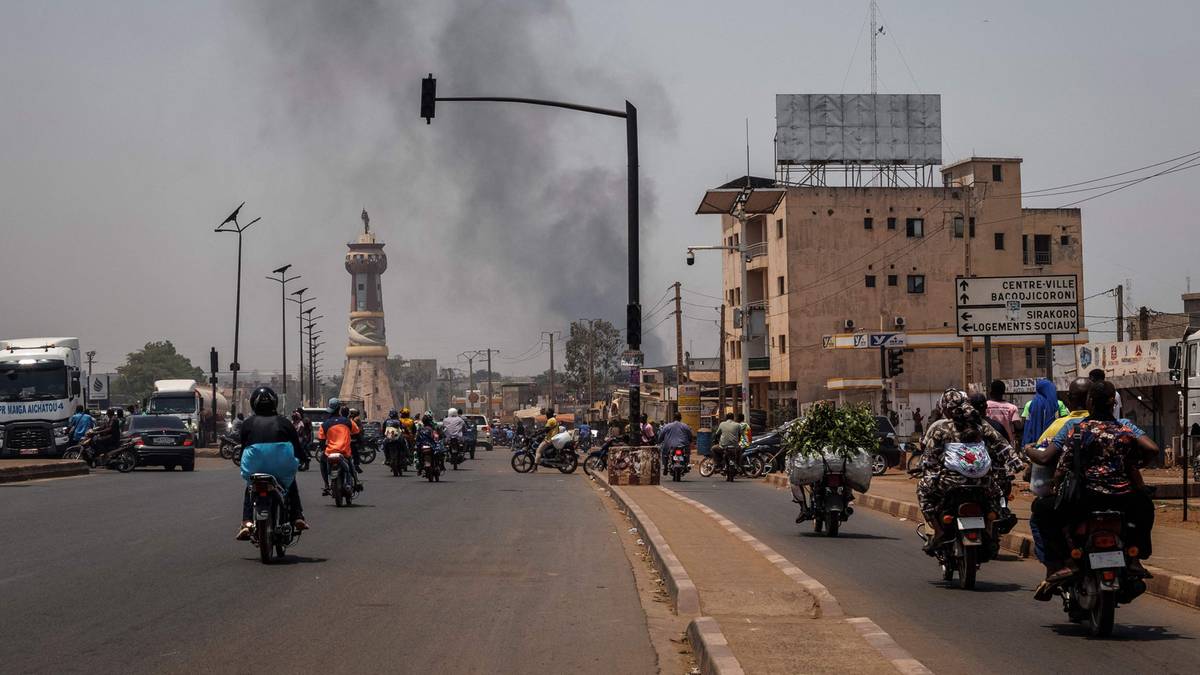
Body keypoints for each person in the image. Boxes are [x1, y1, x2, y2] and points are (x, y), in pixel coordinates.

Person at [1035, 380, 1158, 584]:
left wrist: (1055, 485)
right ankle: (1134, 558)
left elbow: (1062, 467)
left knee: (1042, 509)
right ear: (1113, 404)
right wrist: (1139, 464)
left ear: (1090, 401)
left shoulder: (1077, 430)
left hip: (1086, 498)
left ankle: (1064, 562)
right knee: (1146, 506)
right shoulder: (1126, 432)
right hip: (1123, 498)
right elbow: (1144, 454)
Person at [917, 389, 1025, 553]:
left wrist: (929, 473)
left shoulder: (941, 428)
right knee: (996, 496)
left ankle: (939, 532)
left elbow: (929, 458)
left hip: (950, 483)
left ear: (946, 408)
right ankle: (989, 529)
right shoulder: (982, 425)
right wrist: (1016, 463)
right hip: (982, 482)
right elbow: (1002, 444)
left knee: (923, 490)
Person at [235, 386, 307, 540]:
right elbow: (297, 447)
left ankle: (247, 521)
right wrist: (303, 459)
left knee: (250, 488)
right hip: (282, 467)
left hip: (254, 466)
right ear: (275, 402)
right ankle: (297, 517)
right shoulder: (284, 422)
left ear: (254, 403)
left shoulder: (247, 423)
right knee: (291, 484)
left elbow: (243, 448)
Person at [317, 401, 361, 494]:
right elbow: (357, 433)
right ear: (339, 409)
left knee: (322, 462)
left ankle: (326, 485)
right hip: (344, 451)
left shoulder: (324, 425)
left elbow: (321, 441)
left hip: (330, 453)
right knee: (351, 463)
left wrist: (324, 448)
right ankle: (356, 481)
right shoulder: (348, 421)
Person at [1021, 379, 1062, 448]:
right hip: (1053, 444)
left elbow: (1025, 424)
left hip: (1031, 444)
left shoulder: (1029, 404)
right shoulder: (1057, 404)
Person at [715, 413, 743, 480]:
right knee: (740, 452)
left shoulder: (722, 424)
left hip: (724, 446)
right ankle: (739, 465)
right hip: (735, 446)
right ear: (733, 418)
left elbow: (717, 433)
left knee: (713, 449)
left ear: (726, 418)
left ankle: (718, 465)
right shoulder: (737, 425)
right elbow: (740, 434)